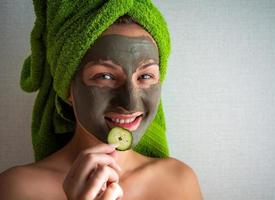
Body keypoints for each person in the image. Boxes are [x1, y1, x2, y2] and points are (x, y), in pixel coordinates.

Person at [0, 1, 203, 199]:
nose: (130, 104)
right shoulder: (16, 189)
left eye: (145, 76)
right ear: (67, 88)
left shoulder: (179, 181)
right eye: (105, 76)